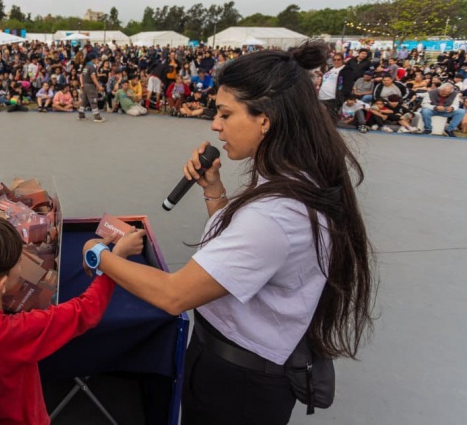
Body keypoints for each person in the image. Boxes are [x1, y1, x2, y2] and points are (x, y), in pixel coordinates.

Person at [82, 41, 375, 424]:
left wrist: (99, 255)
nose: (215, 125)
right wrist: (214, 191)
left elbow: (175, 295)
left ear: (265, 119)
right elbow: (243, 256)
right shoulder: (295, 182)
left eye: (225, 113)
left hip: (237, 385)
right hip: (242, 367)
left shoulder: (274, 215)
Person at [0, 219, 142, 425]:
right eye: (18, 261)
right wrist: (116, 259)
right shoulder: (15, 332)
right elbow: (86, 311)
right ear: (2, 284)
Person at [77, 52, 105, 122]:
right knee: (93, 101)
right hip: (90, 86)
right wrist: (99, 86)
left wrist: (82, 84)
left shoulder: (85, 66)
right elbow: (93, 77)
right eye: (96, 59)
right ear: (93, 59)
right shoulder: (91, 66)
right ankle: (97, 117)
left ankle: (81, 114)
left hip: (85, 85)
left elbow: (82, 76)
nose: (96, 60)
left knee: (84, 101)